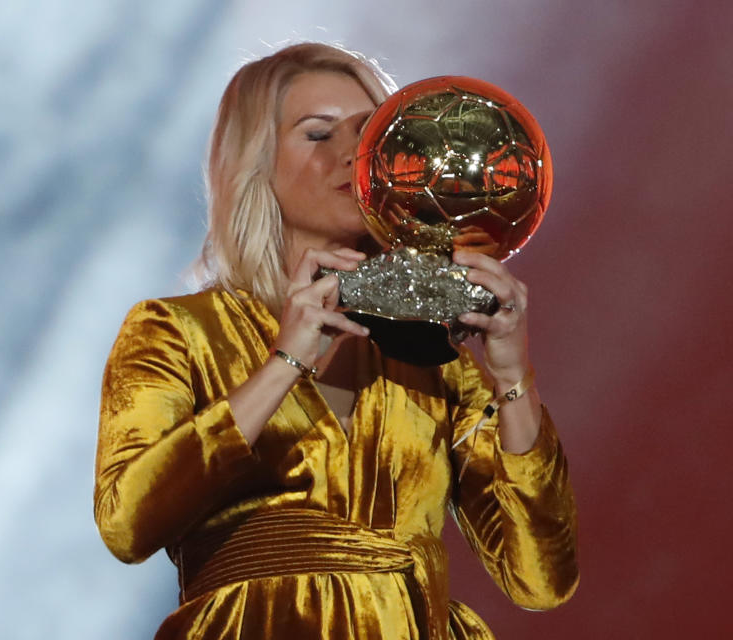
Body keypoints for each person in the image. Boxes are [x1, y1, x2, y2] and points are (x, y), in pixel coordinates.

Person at [94, 42, 578, 639]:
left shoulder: (436, 362)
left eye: (374, 131)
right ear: (255, 166)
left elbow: (541, 578)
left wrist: (511, 373)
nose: (356, 152)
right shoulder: (177, 332)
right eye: (318, 134)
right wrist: (284, 364)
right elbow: (127, 523)